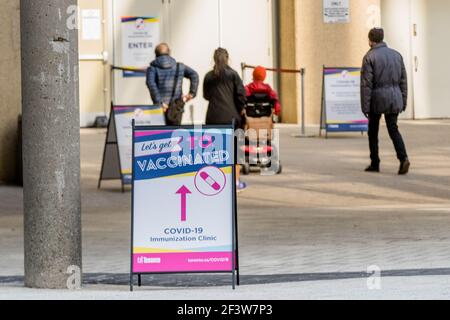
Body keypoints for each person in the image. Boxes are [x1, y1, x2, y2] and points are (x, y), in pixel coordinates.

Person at [361, 28, 410, 175]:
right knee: (393, 129)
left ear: (370, 40)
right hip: (394, 97)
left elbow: (366, 85)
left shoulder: (369, 57)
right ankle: (403, 158)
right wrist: (403, 101)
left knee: (373, 131)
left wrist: (365, 107)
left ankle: (375, 163)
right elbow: (403, 81)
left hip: (377, 98)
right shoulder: (397, 55)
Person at [203, 48, 248, 192]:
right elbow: (241, 95)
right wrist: (241, 108)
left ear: (214, 59)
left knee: (215, 151)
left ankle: (216, 182)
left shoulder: (209, 76)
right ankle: (235, 183)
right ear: (227, 58)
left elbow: (206, 95)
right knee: (235, 151)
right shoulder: (233, 75)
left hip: (213, 117)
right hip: (231, 117)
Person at [146, 43, 199, 125]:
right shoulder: (180, 66)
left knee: (160, 136)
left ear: (156, 54)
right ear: (169, 52)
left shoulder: (152, 69)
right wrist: (191, 93)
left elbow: (151, 84)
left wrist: (159, 102)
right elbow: (194, 75)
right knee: (175, 135)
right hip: (176, 108)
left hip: (160, 108)